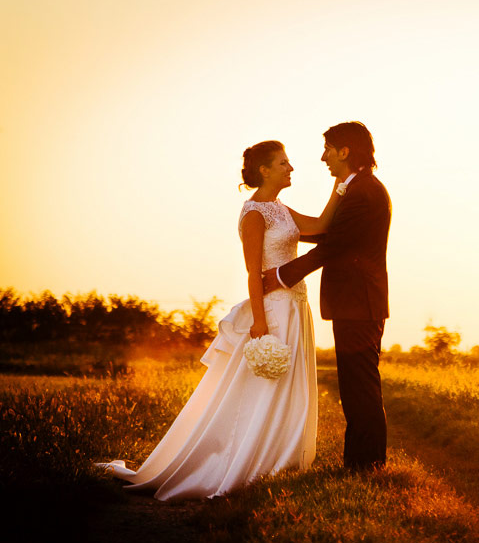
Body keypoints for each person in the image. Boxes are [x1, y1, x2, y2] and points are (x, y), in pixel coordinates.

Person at [96, 141, 342, 501]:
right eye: (284, 163)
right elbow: (252, 272)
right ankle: (238, 462)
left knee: (287, 385)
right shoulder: (255, 213)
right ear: (264, 170)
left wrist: (343, 184)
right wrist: (259, 322)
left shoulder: (280, 209)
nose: (292, 168)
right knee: (261, 387)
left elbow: (321, 225)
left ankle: (278, 457)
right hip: (272, 309)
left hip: (296, 307)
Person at [263, 121, 391, 472]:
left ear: (345, 151)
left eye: (328, 150)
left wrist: (279, 275)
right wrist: (284, 227)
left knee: (360, 386)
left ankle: (367, 466)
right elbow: (332, 236)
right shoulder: (357, 188)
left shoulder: (365, 192)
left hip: (360, 302)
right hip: (355, 303)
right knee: (354, 386)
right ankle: (361, 464)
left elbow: (333, 245)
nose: (324, 158)